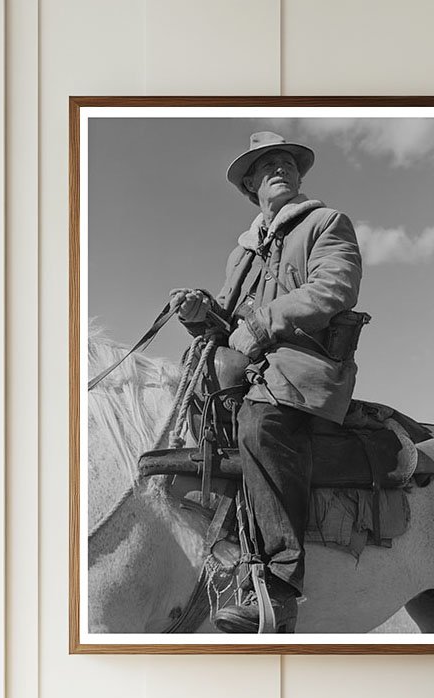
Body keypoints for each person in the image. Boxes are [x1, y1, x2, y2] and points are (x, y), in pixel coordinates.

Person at [169, 131, 364, 633]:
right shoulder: (242, 254)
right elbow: (227, 324)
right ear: (251, 184)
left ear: (298, 176)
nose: (279, 168)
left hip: (301, 368)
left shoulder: (326, 222)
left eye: (287, 162)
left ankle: (277, 588)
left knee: (260, 425)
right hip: (248, 371)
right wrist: (199, 315)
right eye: (267, 164)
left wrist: (261, 325)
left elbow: (334, 288)